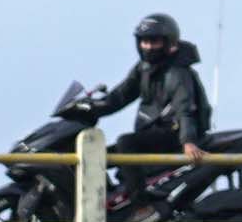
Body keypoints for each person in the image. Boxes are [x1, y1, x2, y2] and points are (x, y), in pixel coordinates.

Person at [85, 11, 212, 158]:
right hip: (152, 131)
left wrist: (188, 141)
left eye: (154, 42)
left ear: (169, 43)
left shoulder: (178, 72)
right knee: (102, 154)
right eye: (145, 42)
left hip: (174, 133)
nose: (149, 47)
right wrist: (88, 108)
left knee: (125, 143)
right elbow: (120, 96)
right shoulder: (144, 68)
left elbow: (185, 108)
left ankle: (136, 183)